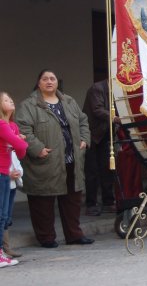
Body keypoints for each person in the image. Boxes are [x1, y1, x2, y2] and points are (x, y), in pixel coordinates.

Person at [15, 69, 94, 247]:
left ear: (57, 82)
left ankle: (74, 235)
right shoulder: (29, 105)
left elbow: (83, 120)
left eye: (52, 79)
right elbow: (23, 130)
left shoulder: (68, 101)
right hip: (46, 160)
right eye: (45, 79)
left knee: (72, 200)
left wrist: (84, 140)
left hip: (71, 159)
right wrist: (38, 149)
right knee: (43, 200)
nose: (49, 81)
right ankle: (46, 237)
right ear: (39, 83)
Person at [82, 80, 118, 216]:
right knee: (92, 170)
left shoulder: (117, 90)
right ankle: (91, 204)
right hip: (92, 134)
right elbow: (97, 110)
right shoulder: (97, 88)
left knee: (107, 168)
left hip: (105, 134)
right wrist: (115, 118)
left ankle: (108, 202)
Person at [0, 91, 27, 267]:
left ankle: (2, 251)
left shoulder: (12, 125)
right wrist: (21, 142)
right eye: (5, 100)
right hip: (2, 171)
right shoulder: (2, 124)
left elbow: (21, 152)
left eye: (11, 99)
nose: (11, 101)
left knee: (5, 215)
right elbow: (20, 145)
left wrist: (20, 142)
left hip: (7, 173)